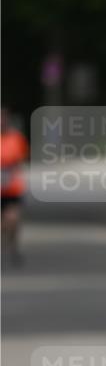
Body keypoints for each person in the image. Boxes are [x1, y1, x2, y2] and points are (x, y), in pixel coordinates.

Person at [1, 108, 29, 266]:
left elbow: (22, 159)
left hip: (12, 188)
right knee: (4, 224)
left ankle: (13, 247)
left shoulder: (16, 138)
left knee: (12, 220)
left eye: (3, 118)